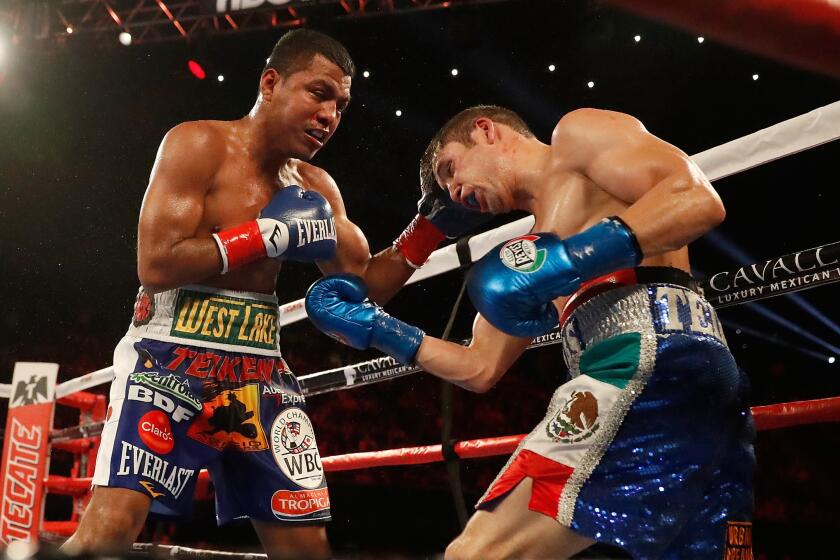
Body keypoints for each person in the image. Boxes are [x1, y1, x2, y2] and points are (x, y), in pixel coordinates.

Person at [61, 30, 485, 560]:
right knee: (109, 535)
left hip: (259, 371)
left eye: (341, 105)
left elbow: (367, 283)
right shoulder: (198, 144)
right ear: (270, 82)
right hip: (166, 357)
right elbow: (156, 260)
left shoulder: (317, 188)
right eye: (318, 93)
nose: (330, 114)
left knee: (307, 551)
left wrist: (430, 228)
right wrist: (263, 236)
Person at [304, 105, 755, 559]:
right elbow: (479, 367)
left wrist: (573, 259)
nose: (455, 192)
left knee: (474, 555)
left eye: (450, 169)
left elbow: (697, 199)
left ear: (486, 131)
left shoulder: (576, 137)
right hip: (695, 376)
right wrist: (377, 328)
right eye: (446, 190)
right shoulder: (527, 254)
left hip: (645, 362)